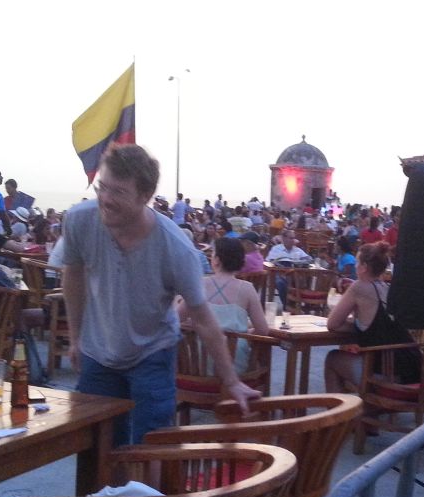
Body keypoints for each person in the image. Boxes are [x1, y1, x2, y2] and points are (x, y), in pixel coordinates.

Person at [62, 143, 260, 446]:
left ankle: (149, 494)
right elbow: (73, 274)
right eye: (102, 188)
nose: (105, 199)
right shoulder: (79, 220)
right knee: (97, 447)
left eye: (118, 192)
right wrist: (76, 338)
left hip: (151, 353)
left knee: (153, 446)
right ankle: (105, 495)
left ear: (144, 196)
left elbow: (204, 319)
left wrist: (231, 381)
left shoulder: (175, 247)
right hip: (97, 352)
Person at [324, 241, 417, 393]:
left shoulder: (359, 287)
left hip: (385, 375)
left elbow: (332, 324)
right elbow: (379, 326)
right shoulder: (387, 288)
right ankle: (359, 408)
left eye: (357, 262)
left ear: (364, 267)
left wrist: (355, 326)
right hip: (410, 369)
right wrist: (360, 325)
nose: (355, 266)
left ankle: (338, 414)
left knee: (333, 359)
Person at [176, 237, 268, 374]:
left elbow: (176, 319)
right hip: (235, 366)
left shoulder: (200, 284)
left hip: (198, 366)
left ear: (217, 260)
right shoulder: (247, 289)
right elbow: (263, 330)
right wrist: (242, 334)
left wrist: (194, 324)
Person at [265, 229, 311, 305]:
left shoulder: (297, 250)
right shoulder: (276, 249)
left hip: (295, 275)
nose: (293, 240)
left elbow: (309, 259)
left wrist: (301, 262)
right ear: (284, 238)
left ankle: (302, 304)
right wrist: (277, 263)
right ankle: (287, 305)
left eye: (294, 238)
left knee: (305, 281)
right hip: (280, 274)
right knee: (280, 282)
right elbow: (268, 261)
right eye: (290, 238)